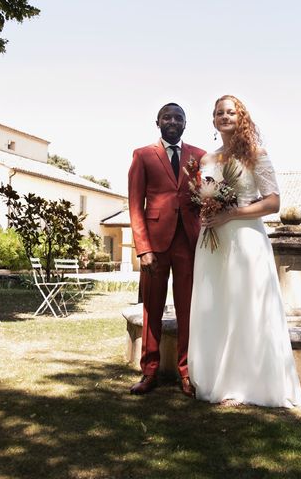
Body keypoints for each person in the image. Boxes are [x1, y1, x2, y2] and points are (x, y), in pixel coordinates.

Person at [188, 95, 301, 408]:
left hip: (246, 239)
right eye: (219, 113)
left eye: (230, 112)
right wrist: (207, 210)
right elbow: (206, 194)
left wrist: (231, 214)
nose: (224, 116)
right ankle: (218, 379)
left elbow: (273, 202)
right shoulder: (206, 160)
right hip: (212, 240)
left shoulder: (257, 154)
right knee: (216, 307)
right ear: (213, 121)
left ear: (241, 118)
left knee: (247, 306)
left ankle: (248, 384)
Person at [128, 103, 206, 397]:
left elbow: (204, 197)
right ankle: (149, 371)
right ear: (157, 122)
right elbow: (135, 205)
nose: (173, 121)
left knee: (189, 309)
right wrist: (143, 248)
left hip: (188, 242)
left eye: (178, 117)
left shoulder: (199, 156)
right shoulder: (143, 155)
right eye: (167, 117)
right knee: (152, 309)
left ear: (185, 124)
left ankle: (186, 373)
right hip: (155, 245)